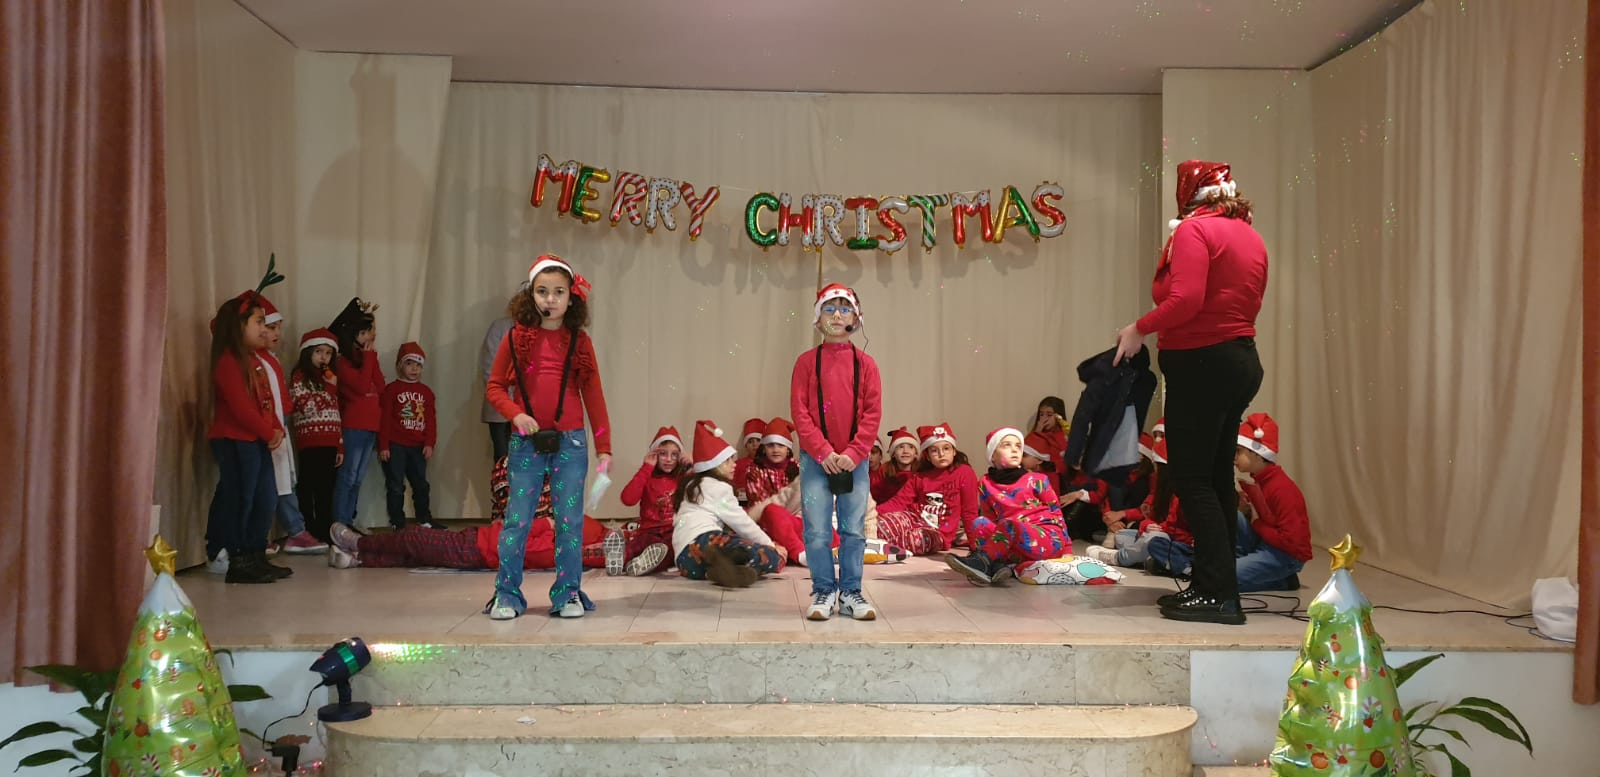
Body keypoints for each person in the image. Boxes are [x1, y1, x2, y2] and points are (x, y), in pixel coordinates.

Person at [1113, 160, 1267, 625]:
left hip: (1202, 364)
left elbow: (1186, 300)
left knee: (1192, 478)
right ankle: (1215, 587)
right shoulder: (1248, 234)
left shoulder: (1194, 232)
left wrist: (1138, 328)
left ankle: (1217, 594)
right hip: (1238, 360)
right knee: (1215, 479)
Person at [484, 255, 613, 619]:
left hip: (570, 443)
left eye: (558, 292)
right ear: (531, 295)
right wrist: (515, 414)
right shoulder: (515, 338)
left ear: (571, 298)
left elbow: (594, 396)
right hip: (526, 443)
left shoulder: (580, 342)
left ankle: (568, 593)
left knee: (570, 522)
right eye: (542, 291)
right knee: (517, 521)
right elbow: (494, 387)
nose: (550, 299)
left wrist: (604, 447)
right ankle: (507, 594)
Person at [790, 283, 883, 621]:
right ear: (818, 320)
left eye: (845, 309)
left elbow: (872, 413)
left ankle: (851, 591)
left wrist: (855, 453)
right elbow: (800, 412)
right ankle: (824, 589)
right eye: (829, 309)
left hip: (853, 461)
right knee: (816, 529)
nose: (837, 315)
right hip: (816, 461)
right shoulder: (805, 363)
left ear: (856, 319)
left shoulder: (867, 365)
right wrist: (823, 452)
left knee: (853, 529)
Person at [205, 292, 286, 584]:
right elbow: (241, 408)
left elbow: (265, 401)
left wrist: (276, 428)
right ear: (238, 326)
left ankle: (255, 553)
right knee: (241, 498)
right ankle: (237, 557)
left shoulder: (254, 361)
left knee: (265, 498)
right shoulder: (228, 362)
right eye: (258, 322)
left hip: (255, 440)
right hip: (235, 439)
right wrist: (267, 431)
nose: (264, 329)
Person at [946, 428, 1070, 585]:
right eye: (1007, 445)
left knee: (1008, 525)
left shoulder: (1037, 479)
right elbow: (990, 518)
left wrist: (1067, 549)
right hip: (1012, 538)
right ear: (993, 455)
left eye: (1018, 446)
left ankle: (982, 562)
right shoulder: (985, 483)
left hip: (1046, 538)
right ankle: (995, 566)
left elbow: (1056, 513)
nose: (1015, 450)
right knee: (980, 523)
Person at [671, 420, 785, 586]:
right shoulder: (718, 487)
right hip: (707, 541)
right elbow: (742, 522)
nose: (734, 464)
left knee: (730, 549)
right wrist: (771, 545)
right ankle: (733, 561)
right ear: (714, 465)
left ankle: (723, 570)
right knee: (768, 555)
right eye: (727, 461)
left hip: (685, 561)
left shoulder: (690, 485)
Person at [254, 294, 324, 556]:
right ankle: (261, 536)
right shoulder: (254, 360)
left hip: (277, 426)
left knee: (284, 481)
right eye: (270, 327)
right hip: (264, 430)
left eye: (278, 328)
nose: (276, 334)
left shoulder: (270, 359)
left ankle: (295, 531)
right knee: (265, 485)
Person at [1230, 413, 1311, 592]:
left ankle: (1283, 580)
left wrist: (1256, 523)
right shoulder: (1261, 481)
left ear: (1258, 454)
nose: (1234, 457)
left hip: (1286, 555)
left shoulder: (1281, 488)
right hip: (1269, 544)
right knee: (1233, 516)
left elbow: (1292, 542)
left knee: (1222, 580)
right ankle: (1244, 564)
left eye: (1239, 451)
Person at [874, 424, 979, 557]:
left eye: (946, 448)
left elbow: (969, 512)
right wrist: (870, 515)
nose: (941, 454)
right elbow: (898, 502)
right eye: (934, 450)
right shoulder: (919, 477)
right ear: (927, 456)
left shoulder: (964, 472)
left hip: (938, 532)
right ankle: (868, 543)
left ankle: (876, 545)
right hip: (912, 518)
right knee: (880, 524)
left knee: (916, 540)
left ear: (954, 451)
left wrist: (976, 547)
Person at [328, 297, 384, 526]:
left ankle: (348, 521)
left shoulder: (368, 358)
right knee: (348, 476)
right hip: (354, 425)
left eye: (370, 332)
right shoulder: (342, 362)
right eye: (364, 333)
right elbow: (361, 387)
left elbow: (380, 387)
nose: (369, 337)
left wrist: (371, 359)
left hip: (371, 426)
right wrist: (369, 359)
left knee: (358, 478)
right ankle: (339, 522)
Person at [290, 328, 343, 544]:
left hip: (330, 441)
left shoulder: (329, 379)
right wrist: (329, 390)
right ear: (308, 352)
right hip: (311, 441)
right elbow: (306, 407)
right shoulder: (300, 377)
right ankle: (309, 529)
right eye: (319, 352)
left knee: (326, 489)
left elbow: (335, 413)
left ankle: (325, 529)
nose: (324, 357)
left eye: (328, 353)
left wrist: (340, 445)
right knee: (309, 486)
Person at [378, 342, 437, 530]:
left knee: (421, 485)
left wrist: (429, 443)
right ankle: (397, 522)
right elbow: (385, 419)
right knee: (395, 485)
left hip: (418, 446)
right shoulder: (391, 390)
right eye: (409, 364)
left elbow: (430, 420)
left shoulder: (426, 392)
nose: (414, 369)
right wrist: (384, 445)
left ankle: (424, 518)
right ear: (399, 366)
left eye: (418, 365)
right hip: (396, 445)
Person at [614, 426, 684, 576]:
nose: (669, 459)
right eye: (663, 454)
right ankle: (619, 558)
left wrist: (693, 463)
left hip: (673, 531)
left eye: (674, 454)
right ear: (654, 455)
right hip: (649, 531)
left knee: (672, 548)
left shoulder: (683, 478)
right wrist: (646, 467)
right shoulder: (647, 476)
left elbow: (703, 488)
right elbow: (627, 499)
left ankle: (641, 564)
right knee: (638, 544)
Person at [481, 316, 515, 461]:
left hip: (529, 409)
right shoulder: (500, 327)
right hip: (500, 407)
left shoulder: (539, 329)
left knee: (526, 460)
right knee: (502, 458)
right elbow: (490, 368)